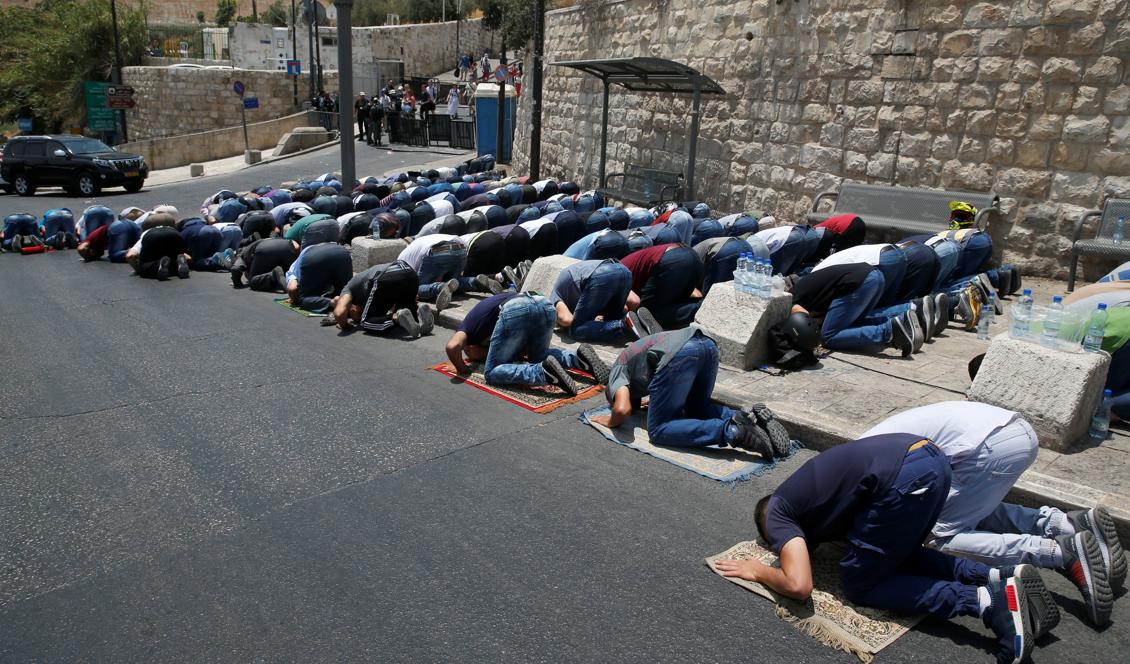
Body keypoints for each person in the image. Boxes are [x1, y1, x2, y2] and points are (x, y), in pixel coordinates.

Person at [715, 433, 1060, 664]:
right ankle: (996, 576)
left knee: (861, 583)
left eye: (775, 542)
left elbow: (800, 586)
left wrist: (758, 569)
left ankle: (987, 603)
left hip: (903, 476)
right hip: (932, 461)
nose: (779, 546)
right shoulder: (814, 502)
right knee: (891, 553)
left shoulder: (776, 511)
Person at [861, 401, 1123, 627]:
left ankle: (1058, 552)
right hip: (1014, 431)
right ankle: (1065, 524)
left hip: (985, 448)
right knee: (963, 508)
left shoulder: (862, 469)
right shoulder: (862, 449)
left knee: (938, 537)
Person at [589, 328, 788, 457]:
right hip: (707, 344)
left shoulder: (617, 370)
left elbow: (622, 410)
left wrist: (609, 420)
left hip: (680, 354)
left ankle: (734, 432)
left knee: (658, 430)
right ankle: (751, 418)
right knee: (696, 409)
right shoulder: (634, 355)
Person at [445, 292, 607, 395]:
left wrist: (462, 369)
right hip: (543, 303)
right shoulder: (486, 324)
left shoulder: (467, 328)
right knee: (538, 355)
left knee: (492, 372)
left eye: (469, 354)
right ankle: (577, 358)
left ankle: (542, 372)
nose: (473, 357)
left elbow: (452, 347)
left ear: (469, 346)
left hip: (515, 309)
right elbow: (521, 351)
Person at [785, 263, 927, 357]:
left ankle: (890, 332)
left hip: (857, 283)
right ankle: (905, 317)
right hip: (874, 276)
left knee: (828, 336)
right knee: (856, 323)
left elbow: (806, 322)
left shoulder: (792, 299)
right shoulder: (807, 288)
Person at [330, 260, 431, 337]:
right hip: (409, 273)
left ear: (351, 307)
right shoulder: (365, 292)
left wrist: (345, 325)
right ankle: (420, 316)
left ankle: (396, 318)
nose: (359, 316)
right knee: (406, 311)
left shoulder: (348, 290)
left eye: (354, 315)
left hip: (387, 276)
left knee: (367, 323)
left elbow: (339, 313)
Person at [550, 259, 638, 343]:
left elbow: (567, 320)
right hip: (624, 272)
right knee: (611, 319)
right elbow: (627, 307)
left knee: (576, 329)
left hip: (601, 274)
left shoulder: (553, 297)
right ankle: (638, 326)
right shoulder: (573, 287)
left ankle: (623, 327)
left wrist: (558, 322)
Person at [621, 243, 705, 330]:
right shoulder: (619, 267)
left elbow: (633, 302)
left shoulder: (611, 280)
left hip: (673, 260)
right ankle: (707, 306)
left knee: (647, 316)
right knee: (675, 304)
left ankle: (704, 309)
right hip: (691, 257)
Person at [285, 242, 353, 313]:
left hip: (315, 259)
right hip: (343, 253)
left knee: (304, 299)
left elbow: (292, 289)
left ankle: (332, 303)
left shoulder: (292, 270)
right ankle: (352, 304)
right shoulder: (310, 248)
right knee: (346, 291)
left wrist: (295, 299)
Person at [230, 238, 299, 292]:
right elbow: (296, 245)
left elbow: (235, 269)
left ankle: (273, 275)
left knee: (253, 281)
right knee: (290, 273)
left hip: (265, 249)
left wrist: (237, 283)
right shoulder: (253, 245)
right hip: (287, 245)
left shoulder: (241, 254)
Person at [125, 225, 191, 280]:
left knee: (145, 268)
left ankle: (158, 264)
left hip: (153, 236)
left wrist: (138, 270)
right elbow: (187, 256)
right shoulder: (172, 228)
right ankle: (178, 261)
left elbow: (130, 256)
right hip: (175, 234)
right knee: (176, 255)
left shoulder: (145, 233)